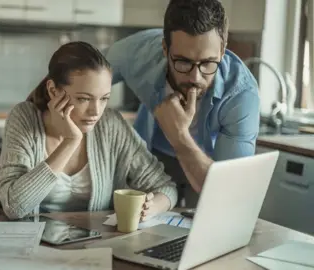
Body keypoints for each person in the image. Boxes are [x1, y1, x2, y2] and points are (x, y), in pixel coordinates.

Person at [0, 41, 177, 220]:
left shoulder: (111, 124)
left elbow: (165, 188)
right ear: (53, 90)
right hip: (35, 245)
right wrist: (70, 141)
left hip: (96, 244)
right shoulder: (25, 118)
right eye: (83, 99)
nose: (96, 111)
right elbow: (13, 207)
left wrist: (151, 208)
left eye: (104, 98)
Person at [104, 0, 260, 207]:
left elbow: (228, 193)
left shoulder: (241, 94)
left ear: (222, 50)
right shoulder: (136, 54)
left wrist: (178, 135)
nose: (195, 77)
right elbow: (78, 76)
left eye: (207, 63)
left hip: (208, 161)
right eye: (183, 62)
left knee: (208, 221)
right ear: (165, 48)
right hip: (152, 156)